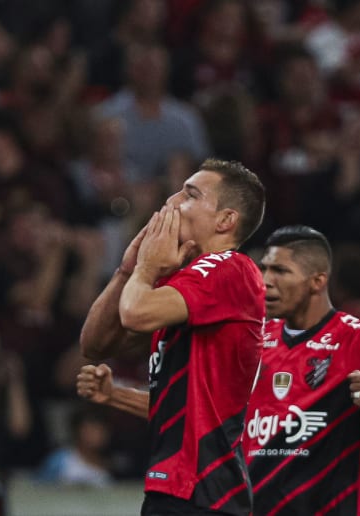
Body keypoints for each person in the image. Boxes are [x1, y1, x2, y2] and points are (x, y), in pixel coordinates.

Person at [78, 225, 360, 515]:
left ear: (317, 280)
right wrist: (115, 395)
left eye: (280, 270)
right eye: (263, 268)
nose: (265, 280)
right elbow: (199, 414)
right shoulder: (255, 339)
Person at [78, 158, 266, 515]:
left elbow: (134, 313)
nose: (173, 202)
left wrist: (146, 268)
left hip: (202, 491)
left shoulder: (229, 269)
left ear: (226, 221)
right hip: (185, 491)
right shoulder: (181, 284)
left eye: (190, 194)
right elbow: (95, 345)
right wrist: (126, 270)